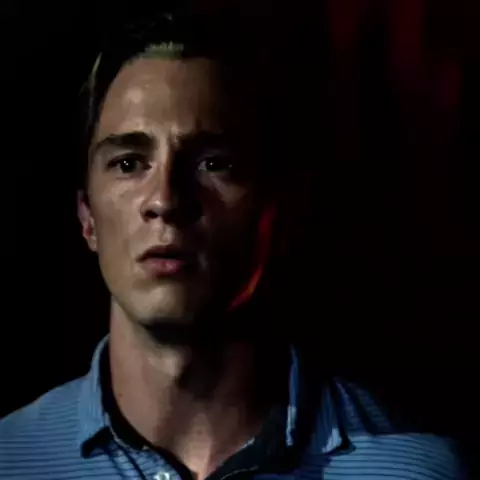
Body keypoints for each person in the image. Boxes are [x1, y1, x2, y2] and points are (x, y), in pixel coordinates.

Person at [0, 9, 470, 480]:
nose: (165, 200)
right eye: (128, 163)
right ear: (87, 216)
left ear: (277, 206)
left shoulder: (407, 469)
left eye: (213, 163)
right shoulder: (13, 460)